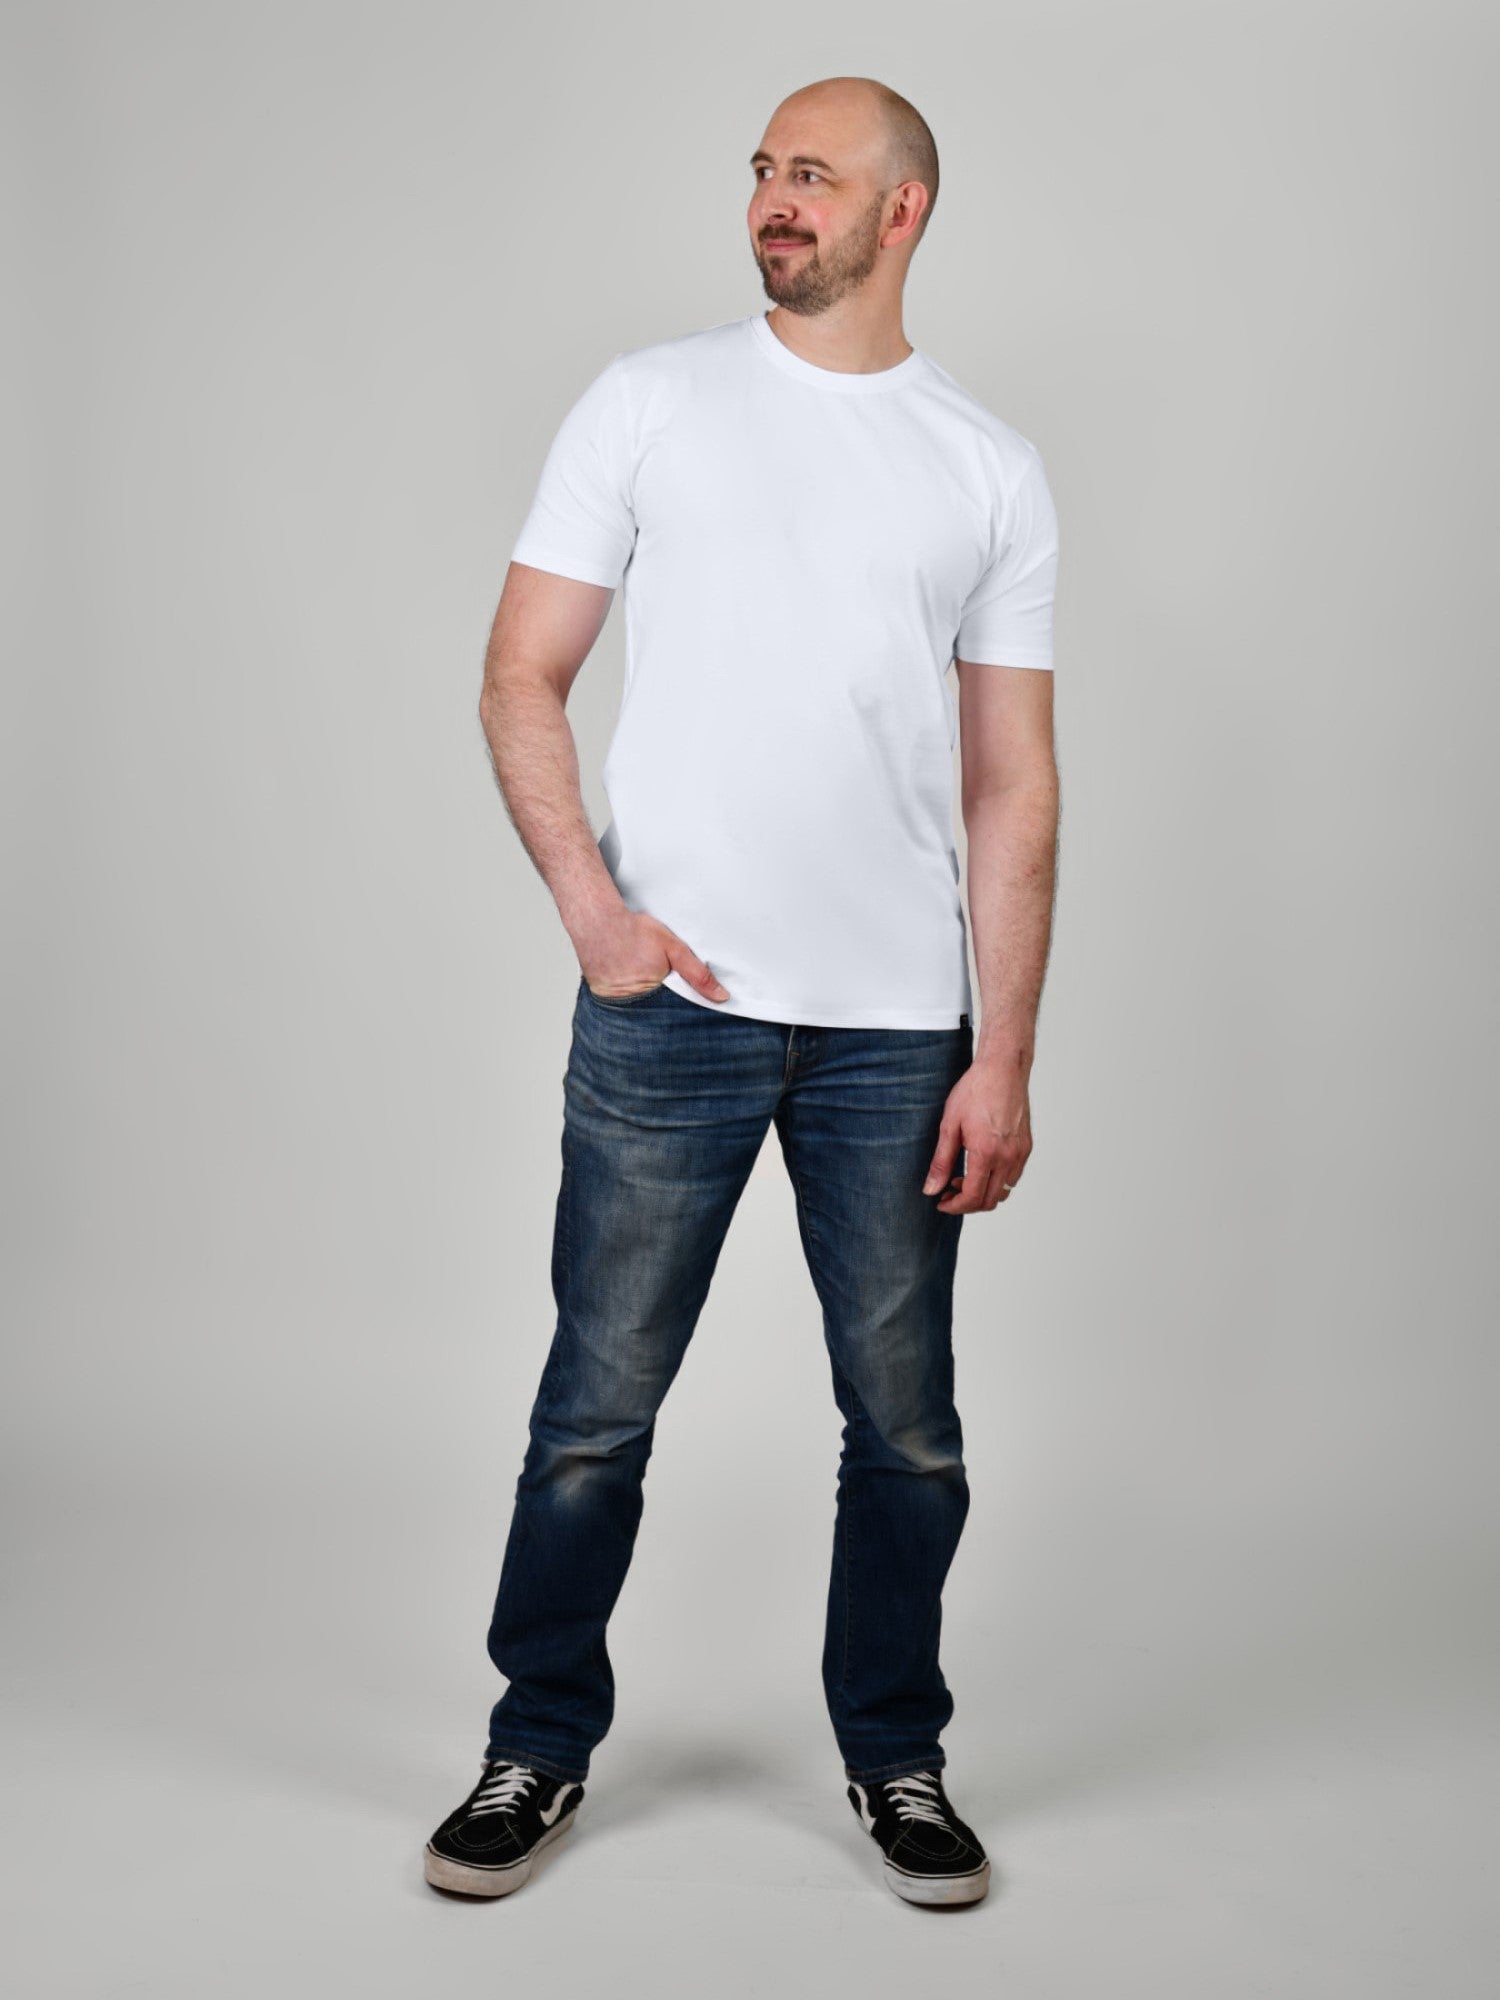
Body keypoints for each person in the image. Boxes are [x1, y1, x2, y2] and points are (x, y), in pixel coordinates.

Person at [423, 73, 1061, 1909]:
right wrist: (594, 913)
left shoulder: (985, 465)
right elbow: (517, 673)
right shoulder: (649, 403)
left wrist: (999, 1053)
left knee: (908, 1424)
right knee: (595, 1408)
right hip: (669, 1015)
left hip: (895, 1033)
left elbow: (1016, 781)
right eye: (764, 173)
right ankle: (535, 1743)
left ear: (903, 210)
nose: (776, 202)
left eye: (814, 177)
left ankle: (899, 1757)